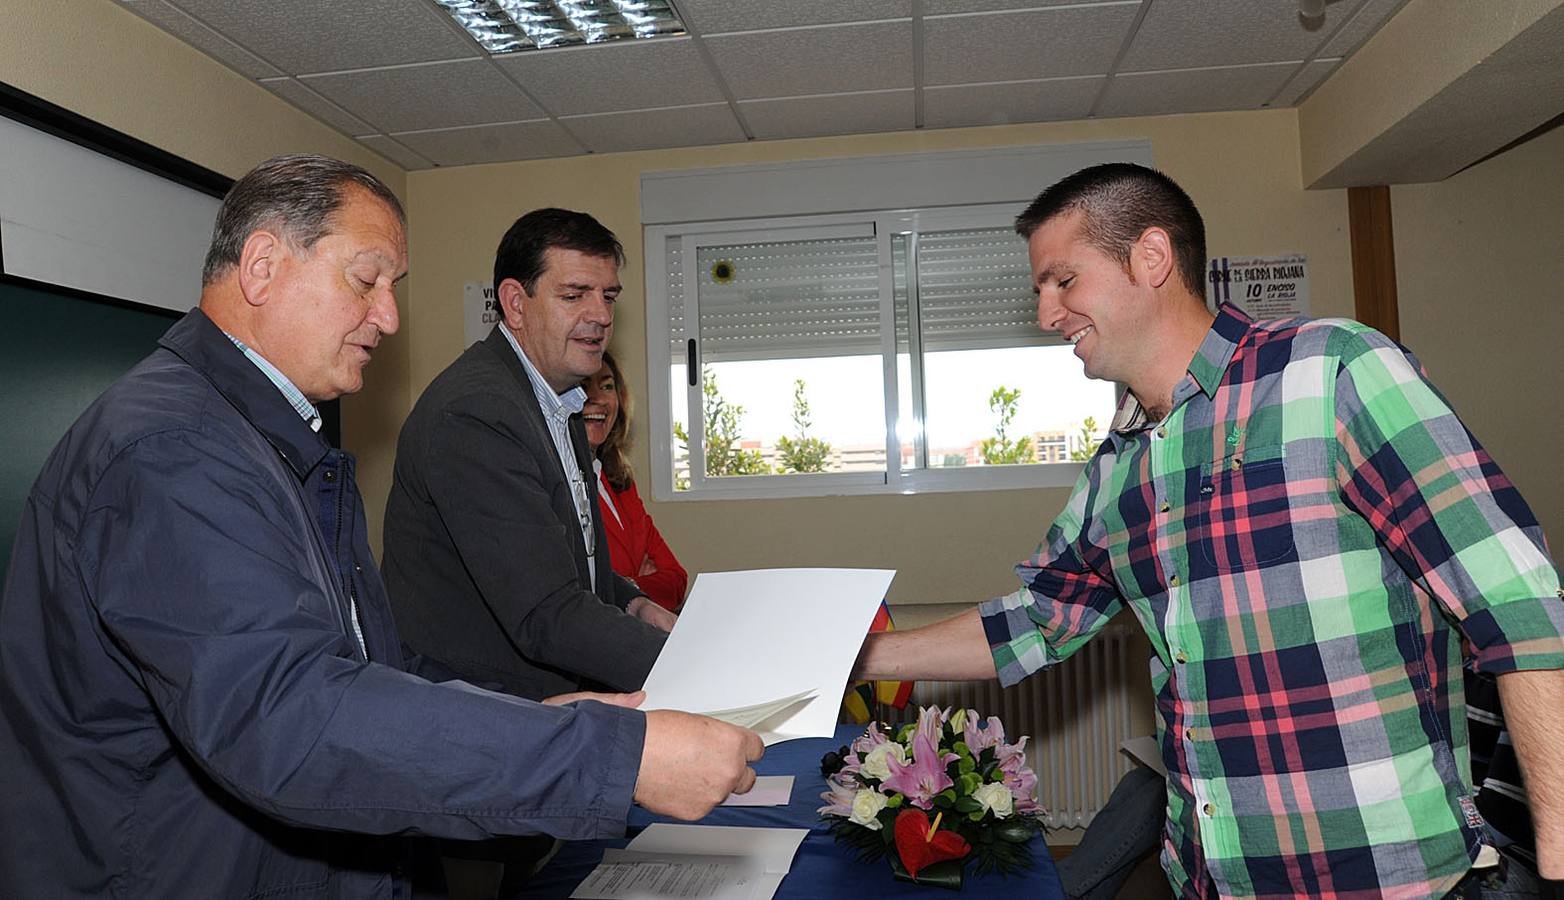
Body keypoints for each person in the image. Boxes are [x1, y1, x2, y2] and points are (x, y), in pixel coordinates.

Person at [0, 154, 762, 898]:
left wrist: (523, 718)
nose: (390, 317)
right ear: (262, 266)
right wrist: (611, 758)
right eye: (366, 280)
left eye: (393, 289)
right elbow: (291, 720)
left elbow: (362, 664)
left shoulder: (262, 438)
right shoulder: (177, 449)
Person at [853, 162, 1564, 898]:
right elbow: (1037, 622)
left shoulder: (1331, 369)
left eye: (1062, 280)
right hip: (1214, 876)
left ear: (1151, 258)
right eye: (1040, 288)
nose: (1046, 313)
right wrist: (856, 659)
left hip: (1384, 878)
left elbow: (1517, 600)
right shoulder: (1117, 468)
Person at [383, 209, 675, 707]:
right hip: (480, 715)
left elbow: (560, 561)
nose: (601, 316)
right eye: (573, 295)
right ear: (515, 305)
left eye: (608, 296)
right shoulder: (477, 412)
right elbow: (547, 610)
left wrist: (633, 602)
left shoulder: (556, 401)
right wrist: (692, 666)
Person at [585, 350, 689, 611]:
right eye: (583, 386)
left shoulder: (621, 483)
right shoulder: (559, 485)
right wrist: (640, 583)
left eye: (607, 386)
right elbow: (586, 593)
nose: (597, 398)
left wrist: (626, 584)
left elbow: (676, 579)